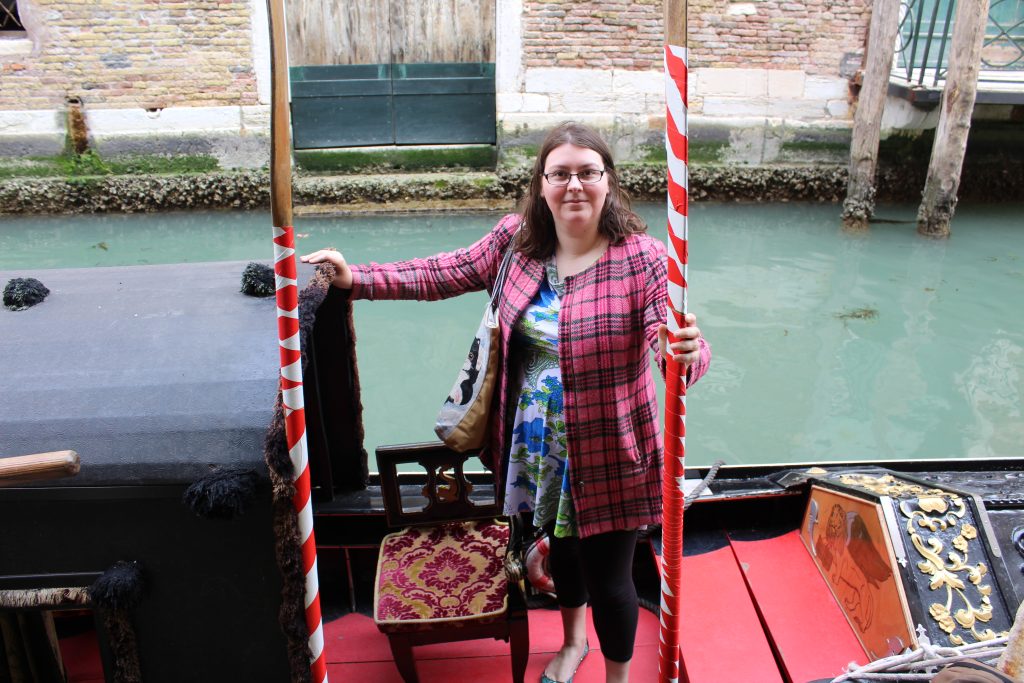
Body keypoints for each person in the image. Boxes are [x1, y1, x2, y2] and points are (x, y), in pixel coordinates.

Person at [302, 121, 710, 683]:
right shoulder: (515, 243)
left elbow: (672, 341)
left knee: (612, 577)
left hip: (612, 451)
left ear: (608, 182)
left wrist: (686, 352)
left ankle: (617, 678)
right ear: (541, 184)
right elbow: (443, 272)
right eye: (560, 174)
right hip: (536, 444)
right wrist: (358, 278)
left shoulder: (641, 259)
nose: (574, 186)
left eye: (587, 173)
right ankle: (572, 642)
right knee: (560, 549)